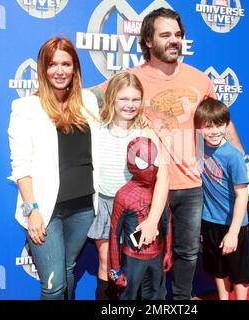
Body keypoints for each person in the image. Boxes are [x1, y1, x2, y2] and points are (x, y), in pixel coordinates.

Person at [93, 7, 249, 300]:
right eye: (165, 34)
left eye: (178, 35)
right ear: (147, 41)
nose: (174, 40)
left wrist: (243, 159)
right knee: (144, 254)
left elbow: (223, 122)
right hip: (149, 187)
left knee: (188, 252)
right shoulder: (130, 78)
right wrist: (49, 95)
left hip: (193, 185)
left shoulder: (199, 79)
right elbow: (92, 96)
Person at [8, 37, 100, 300]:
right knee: (53, 284)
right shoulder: (25, 107)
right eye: (52, 64)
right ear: (43, 69)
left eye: (66, 64)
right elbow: (21, 165)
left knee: (69, 268)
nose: (60, 71)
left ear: (75, 68)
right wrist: (32, 211)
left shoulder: (88, 102)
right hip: (45, 211)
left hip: (84, 208)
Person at [87, 71, 169, 299]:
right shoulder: (97, 128)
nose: (130, 105)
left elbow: (163, 176)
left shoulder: (145, 131)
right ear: (111, 97)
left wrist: (153, 219)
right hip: (105, 205)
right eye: (123, 99)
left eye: (135, 99)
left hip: (138, 210)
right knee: (106, 261)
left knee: (137, 266)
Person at [194, 97, 249, 300]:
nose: (214, 131)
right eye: (207, 126)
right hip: (210, 221)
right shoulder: (198, 147)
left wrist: (234, 233)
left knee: (239, 273)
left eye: (219, 125)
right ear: (199, 128)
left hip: (233, 224)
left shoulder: (233, 155)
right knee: (217, 268)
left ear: (226, 125)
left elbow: (242, 195)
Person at [109, 136, 173, 300]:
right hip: (133, 258)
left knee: (156, 296)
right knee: (128, 297)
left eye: (155, 162)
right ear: (132, 163)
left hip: (156, 255)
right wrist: (115, 268)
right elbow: (115, 234)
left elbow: (166, 221)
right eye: (144, 163)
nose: (151, 169)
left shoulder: (159, 191)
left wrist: (167, 251)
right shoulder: (124, 196)